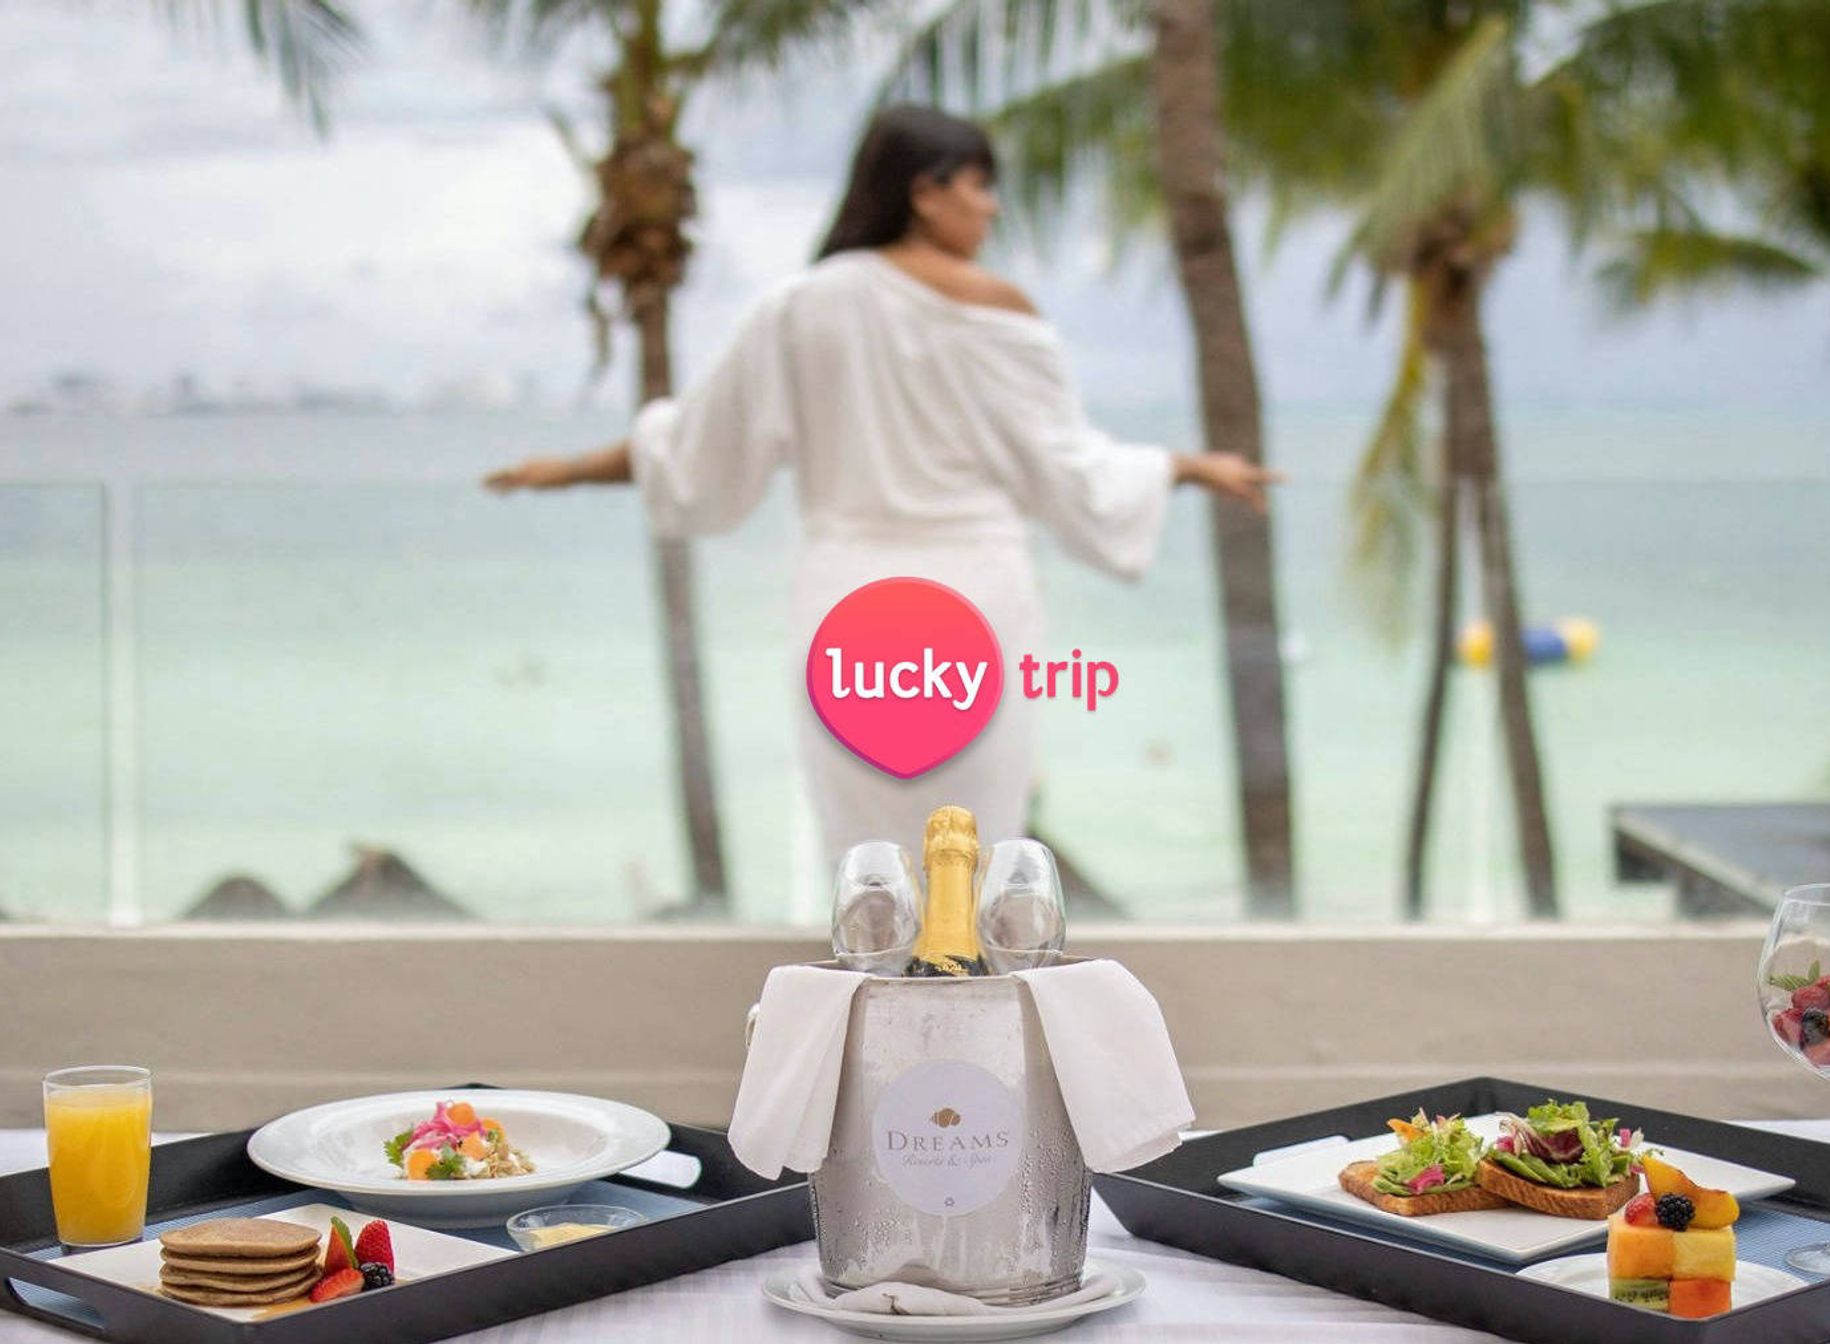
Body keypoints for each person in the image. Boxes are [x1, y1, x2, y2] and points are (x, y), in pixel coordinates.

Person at [486, 103, 1281, 868]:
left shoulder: (800, 307)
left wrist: (570, 471)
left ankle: (866, 996)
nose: (992, 210)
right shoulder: (996, 309)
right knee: (972, 844)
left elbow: (697, 445)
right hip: (977, 601)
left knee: (864, 857)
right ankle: (966, 997)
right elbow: (1070, 472)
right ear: (925, 192)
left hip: (848, 602)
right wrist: (1184, 465)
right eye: (978, 186)